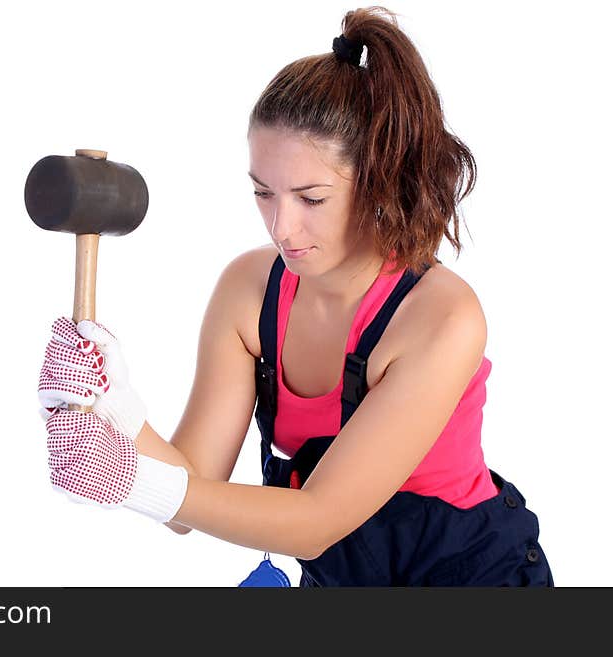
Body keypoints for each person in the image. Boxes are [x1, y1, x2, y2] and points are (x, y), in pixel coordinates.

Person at [36, 6, 553, 586]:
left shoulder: (440, 316)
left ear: (377, 180)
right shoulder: (249, 293)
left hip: (469, 579)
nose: (280, 227)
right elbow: (195, 480)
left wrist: (131, 483)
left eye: (311, 198)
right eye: (263, 192)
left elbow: (315, 521)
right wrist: (116, 412)